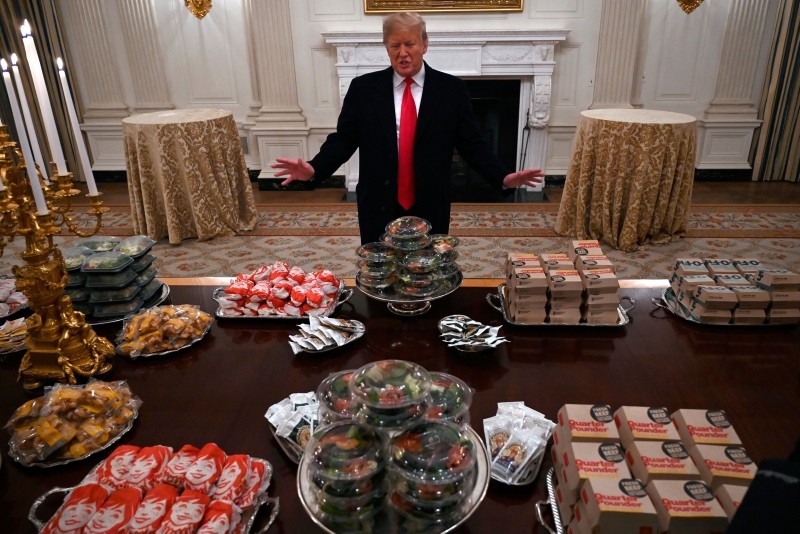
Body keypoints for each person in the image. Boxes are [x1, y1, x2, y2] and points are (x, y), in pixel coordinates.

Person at [273, 11, 544, 244]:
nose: (403, 53)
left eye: (410, 44)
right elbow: (344, 139)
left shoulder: (451, 90)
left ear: (424, 44)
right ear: (386, 47)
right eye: (395, 45)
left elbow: (472, 144)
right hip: (378, 200)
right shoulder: (363, 89)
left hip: (430, 201)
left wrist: (503, 177)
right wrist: (314, 168)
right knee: (381, 274)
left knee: (427, 273)